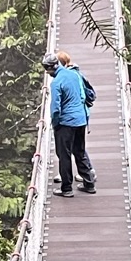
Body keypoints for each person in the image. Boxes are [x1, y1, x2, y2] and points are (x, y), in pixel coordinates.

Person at [44, 50, 96, 195]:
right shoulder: (74, 74)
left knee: (64, 155)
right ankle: (89, 184)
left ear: (51, 68)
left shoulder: (56, 83)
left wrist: (55, 124)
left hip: (66, 123)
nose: (47, 73)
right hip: (81, 120)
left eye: (47, 70)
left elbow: (55, 108)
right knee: (79, 151)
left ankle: (66, 189)